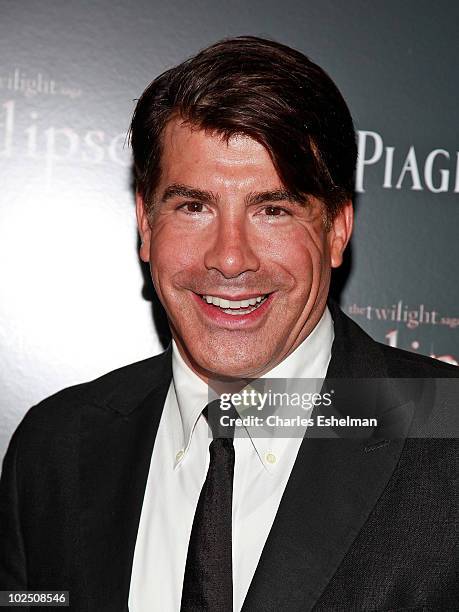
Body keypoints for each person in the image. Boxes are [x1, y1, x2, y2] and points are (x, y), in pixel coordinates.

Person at [0, 36, 457, 612]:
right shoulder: (55, 447)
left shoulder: (446, 436)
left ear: (337, 228)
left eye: (273, 209)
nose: (231, 257)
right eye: (194, 207)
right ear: (145, 221)